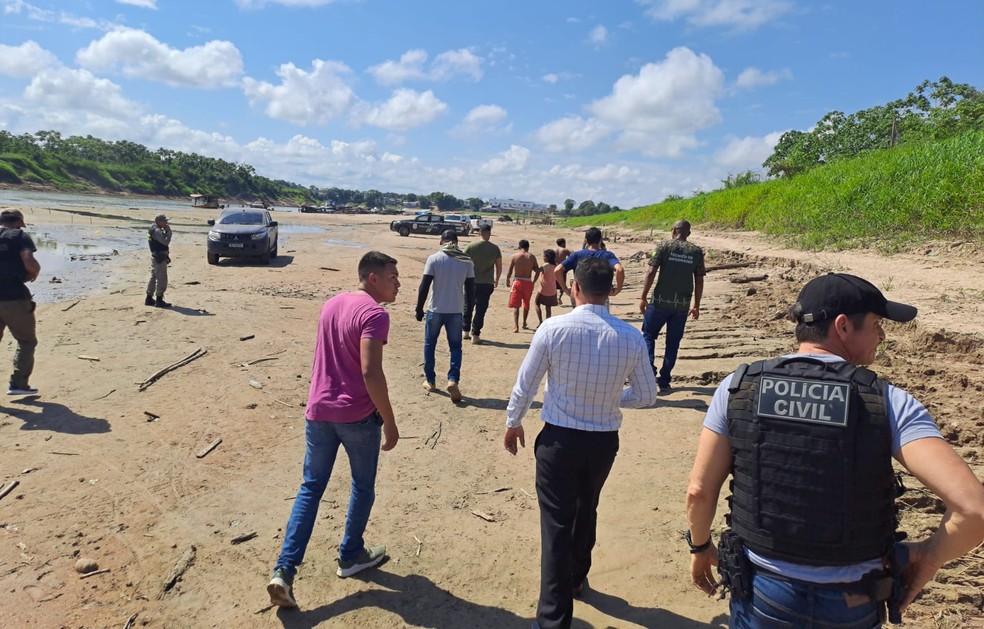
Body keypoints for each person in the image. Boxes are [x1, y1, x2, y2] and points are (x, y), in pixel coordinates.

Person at [686, 273, 984, 628]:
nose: (882, 336)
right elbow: (974, 511)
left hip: (764, 592)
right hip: (853, 599)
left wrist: (700, 547)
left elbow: (699, 492)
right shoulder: (889, 402)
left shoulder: (738, 388)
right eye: (876, 324)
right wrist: (928, 557)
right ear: (843, 327)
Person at [504, 257, 658, 629]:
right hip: (603, 442)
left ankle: (553, 619)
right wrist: (607, 397)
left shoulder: (554, 329)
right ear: (610, 291)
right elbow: (647, 395)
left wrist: (513, 422)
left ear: (574, 287)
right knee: (587, 505)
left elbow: (526, 383)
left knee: (556, 523)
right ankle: (577, 576)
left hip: (559, 439)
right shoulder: (630, 336)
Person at [267, 251, 402, 609]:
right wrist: (389, 420)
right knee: (362, 485)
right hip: (356, 416)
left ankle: (284, 570)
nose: (398, 283)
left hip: (318, 411)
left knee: (311, 488)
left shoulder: (331, 304)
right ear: (372, 278)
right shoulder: (374, 313)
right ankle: (351, 554)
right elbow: (371, 372)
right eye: (392, 276)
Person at [637, 220, 705, 392]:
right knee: (673, 343)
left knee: (648, 335)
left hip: (660, 302)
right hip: (681, 305)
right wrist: (696, 305)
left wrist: (643, 297)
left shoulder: (662, 246)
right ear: (688, 233)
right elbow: (699, 280)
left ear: (673, 231)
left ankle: (650, 370)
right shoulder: (696, 252)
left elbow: (651, 272)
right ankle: (665, 379)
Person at [416, 230, 475, 403]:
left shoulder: (434, 258)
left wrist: (419, 309)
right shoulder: (466, 261)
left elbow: (424, 286)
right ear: (457, 242)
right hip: (455, 312)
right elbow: (471, 291)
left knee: (430, 344)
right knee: (455, 348)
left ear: (441, 241)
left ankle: (430, 380)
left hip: (435, 310)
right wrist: (468, 313)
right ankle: (452, 380)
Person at [0, 210, 41, 396]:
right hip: (13, 296)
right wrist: (35, 272)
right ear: (19, 222)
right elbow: (28, 261)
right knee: (26, 341)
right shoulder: (20, 236)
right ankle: (18, 384)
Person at [557, 227, 623, 299]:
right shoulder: (608, 255)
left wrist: (565, 289)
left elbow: (557, 270)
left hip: (580, 296)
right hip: (600, 296)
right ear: (600, 240)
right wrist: (618, 289)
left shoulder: (576, 255)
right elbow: (619, 269)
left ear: (586, 240)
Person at [463, 223, 502, 345]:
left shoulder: (470, 246)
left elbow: (463, 263)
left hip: (471, 281)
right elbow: (499, 267)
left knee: (468, 306)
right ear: (489, 234)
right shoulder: (495, 248)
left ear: (479, 233)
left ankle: (465, 331)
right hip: (486, 282)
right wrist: (496, 279)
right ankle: (476, 334)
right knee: (481, 309)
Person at [505, 239, 540, 333]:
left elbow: (510, 271)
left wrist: (507, 280)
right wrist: (534, 281)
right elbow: (537, 271)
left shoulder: (515, 256)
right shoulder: (532, 257)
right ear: (528, 247)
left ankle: (516, 327)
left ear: (519, 247)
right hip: (528, 282)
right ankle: (524, 322)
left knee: (516, 306)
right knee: (526, 304)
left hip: (517, 281)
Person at [146, 214, 172, 308]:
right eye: (165, 221)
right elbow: (165, 242)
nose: (166, 223)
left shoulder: (152, 228)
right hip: (159, 257)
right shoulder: (156, 230)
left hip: (156, 256)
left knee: (154, 277)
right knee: (162, 278)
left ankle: (149, 298)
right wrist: (168, 232)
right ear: (159, 221)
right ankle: (159, 299)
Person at [532, 249, 560, 325]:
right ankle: (547, 322)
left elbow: (537, 270)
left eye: (544, 256)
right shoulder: (556, 265)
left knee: (537, 303)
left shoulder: (546, 265)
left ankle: (541, 321)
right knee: (548, 307)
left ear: (548, 257)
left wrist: (532, 264)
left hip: (543, 289)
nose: (543, 258)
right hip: (552, 290)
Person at [553, 238, 571, 305]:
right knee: (562, 284)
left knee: (554, 283)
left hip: (554, 268)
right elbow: (571, 257)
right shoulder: (565, 250)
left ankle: (555, 297)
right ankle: (559, 298)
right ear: (563, 243)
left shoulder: (553, 250)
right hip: (562, 268)